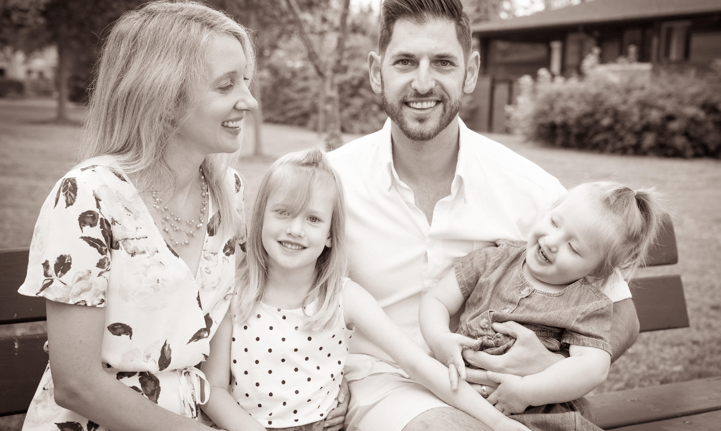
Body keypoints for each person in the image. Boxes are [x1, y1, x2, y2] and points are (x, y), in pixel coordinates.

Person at [325, 0, 642, 429]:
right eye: (404, 62)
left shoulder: (532, 191)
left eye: (442, 62)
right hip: (383, 384)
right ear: (375, 70)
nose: (423, 82)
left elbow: (622, 316)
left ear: (469, 72)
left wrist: (548, 364)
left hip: (501, 392)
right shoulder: (332, 183)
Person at [17, 2, 258, 430]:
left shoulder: (228, 192)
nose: (250, 101)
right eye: (226, 86)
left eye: (247, 81)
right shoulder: (88, 196)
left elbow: (211, 379)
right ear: (163, 97)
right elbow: (77, 384)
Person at [200, 148, 531, 431]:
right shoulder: (234, 295)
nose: (296, 229)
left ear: (330, 235)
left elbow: (417, 364)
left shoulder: (342, 297)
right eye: (283, 212)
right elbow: (214, 387)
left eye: (313, 219)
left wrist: (499, 423)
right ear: (261, 219)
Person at [420, 182, 664, 430]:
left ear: (598, 270)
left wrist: (526, 392)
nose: (552, 241)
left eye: (573, 247)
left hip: (535, 414)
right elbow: (437, 300)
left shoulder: (587, 305)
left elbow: (593, 368)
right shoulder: (493, 260)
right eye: (555, 222)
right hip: (455, 394)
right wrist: (440, 339)